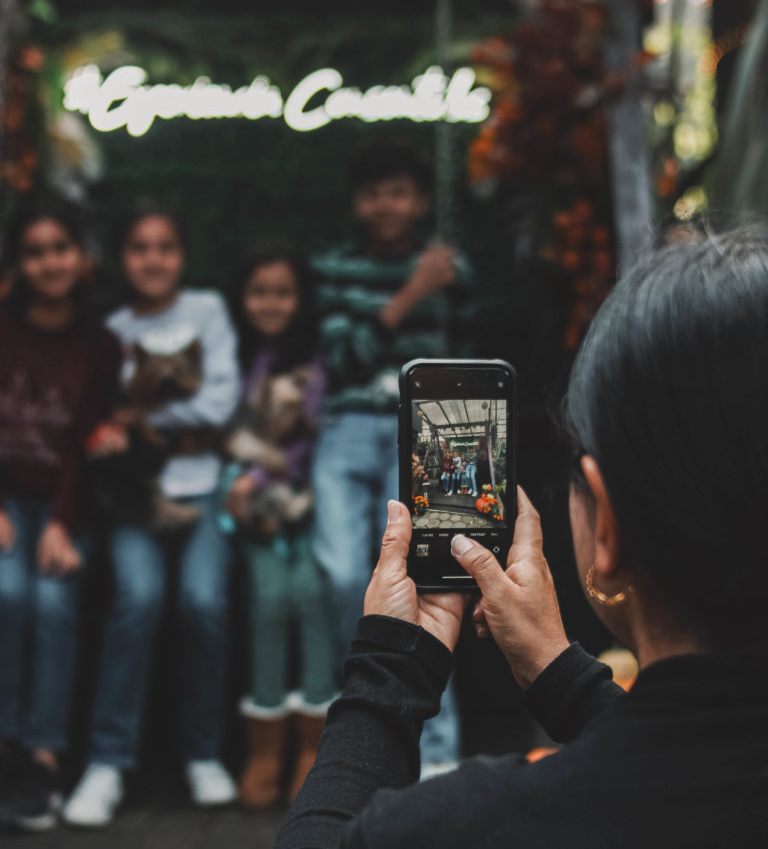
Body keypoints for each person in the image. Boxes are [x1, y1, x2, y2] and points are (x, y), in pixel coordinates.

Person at [276, 227, 768, 847]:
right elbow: (698, 766)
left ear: (607, 528)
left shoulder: (469, 824)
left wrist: (388, 673)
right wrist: (561, 677)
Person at [62, 202, 240, 828]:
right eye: (140, 248)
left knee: (203, 603)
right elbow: (102, 419)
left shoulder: (209, 310)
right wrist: (140, 425)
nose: (153, 259)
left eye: (165, 247)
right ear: (121, 257)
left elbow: (222, 401)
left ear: (182, 255)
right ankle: (107, 762)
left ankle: (204, 753)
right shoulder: (111, 328)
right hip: (132, 497)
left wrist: (142, 420)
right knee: (137, 599)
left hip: (204, 487)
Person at [311, 136, 473, 774]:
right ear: (358, 203)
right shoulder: (332, 270)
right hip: (347, 424)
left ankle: (437, 752)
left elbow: (470, 346)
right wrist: (413, 291)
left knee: (434, 580)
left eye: (399, 193)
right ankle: (356, 738)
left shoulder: (453, 269)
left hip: (429, 429)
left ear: (419, 200)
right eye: (374, 194)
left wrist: (440, 281)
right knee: (343, 574)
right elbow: (340, 358)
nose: (386, 205)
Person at [0, 200, 121, 831]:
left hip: (62, 505)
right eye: (35, 251)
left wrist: (60, 523)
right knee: (6, 594)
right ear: (19, 264)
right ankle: (7, 746)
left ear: (81, 257)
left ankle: (42, 760)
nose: (49, 262)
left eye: (60, 249)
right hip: (4, 498)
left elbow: (83, 441)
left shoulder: (100, 345)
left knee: (51, 603)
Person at [223, 243, 337, 809]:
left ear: (302, 297)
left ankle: (314, 748)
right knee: (267, 603)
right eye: (259, 291)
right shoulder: (236, 354)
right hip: (253, 513)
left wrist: (253, 476)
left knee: (311, 600)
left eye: (283, 291)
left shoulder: (312, 359)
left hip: (305, 502)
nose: (271, 303)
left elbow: (302, 435)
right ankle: (265, 748)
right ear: (242, 297)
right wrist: (240, 479)